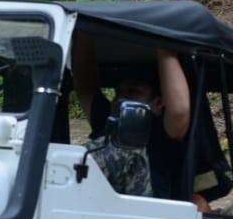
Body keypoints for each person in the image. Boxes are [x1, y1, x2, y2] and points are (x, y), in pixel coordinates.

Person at [72, 33, 205, 207]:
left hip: (147, 214)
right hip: (97, 207)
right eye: (119, 92)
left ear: (158, 104)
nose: (121, 99)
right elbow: (85, 88)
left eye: (133, 92)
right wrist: (85, 35)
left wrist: (163, 45)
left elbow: (179, 111)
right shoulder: (109, 125)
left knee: (123, 150)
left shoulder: (161, 133)